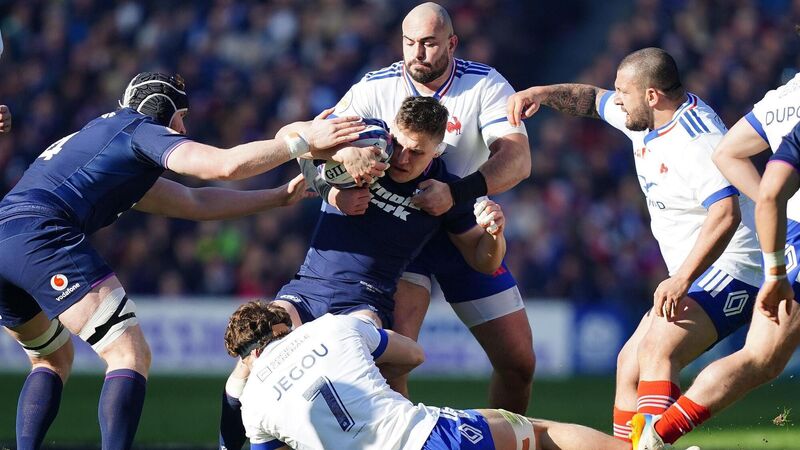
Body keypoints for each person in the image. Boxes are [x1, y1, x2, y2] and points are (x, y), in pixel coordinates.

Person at [0, 71, 374, 450]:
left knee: (51, 358)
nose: (183, 128)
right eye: (182, 117)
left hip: (5, 237)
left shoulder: (103, 140)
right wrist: (303, 141)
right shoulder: (141, 129)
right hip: (40, 233)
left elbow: (194, 202)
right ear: (164, 110)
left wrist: (278, 197)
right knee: (128, 353)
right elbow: (223, 165)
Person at [219, 95, 510, 450]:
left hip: (364, 302)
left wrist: (495, 234)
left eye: (416, 152)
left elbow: (484, 261)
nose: (401, 158)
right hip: (308, 287)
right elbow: (293, 139)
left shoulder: (445, 193)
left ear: (437, 150)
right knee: (247, 370)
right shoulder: (367, 139)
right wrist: (333, 181)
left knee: (360, 393)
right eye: (399, 144)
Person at [507, 47, 762, 443]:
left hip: (736, 265)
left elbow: (725, 213)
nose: (617, 100)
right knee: (629, 364)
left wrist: (682, 279)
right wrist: (539, 93)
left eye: (623, 92)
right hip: (700, 268)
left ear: (652, 96)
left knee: (658, 350)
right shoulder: (643, 118)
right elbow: (591, 99)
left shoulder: (696, 140)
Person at [302, 1, 534, 412]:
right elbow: (311, 148)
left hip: (461, 228)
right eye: (409, 42)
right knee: (393, 366)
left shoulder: (485, 85)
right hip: (397, 229)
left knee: (519, 364)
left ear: (452, 43)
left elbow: (518, 160)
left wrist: (455, 195)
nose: (417, 53)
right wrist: (332, 188)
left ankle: (506, 438)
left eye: (429, 43)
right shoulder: (375, 87)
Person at [629, 68, 800, 450]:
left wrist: (773, 211)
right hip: (791, 241)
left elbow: (729, 154)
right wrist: (770, 207)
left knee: (761, 359)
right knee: (761, 358)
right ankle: (656, 436)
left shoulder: (784, 98)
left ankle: (655, 437)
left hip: (789, 235)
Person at [224, 301, 631, 450]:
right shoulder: (330, 327)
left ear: (247, 357)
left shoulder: (253, 405)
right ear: (282, 326)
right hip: (428, 437)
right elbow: (413, 354)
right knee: (538, 434)